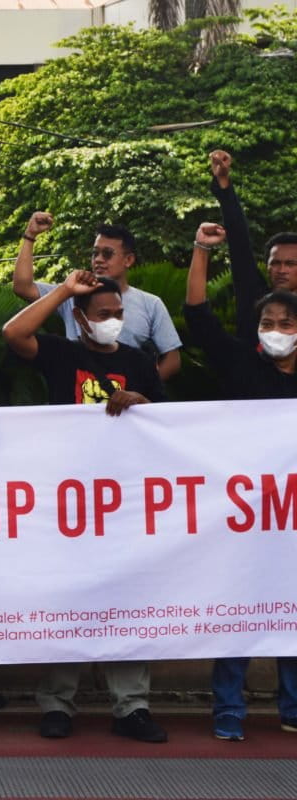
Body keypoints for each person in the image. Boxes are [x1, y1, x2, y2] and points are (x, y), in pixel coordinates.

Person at [2, 271, 168, 743]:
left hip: (123, 502)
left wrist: (142, 402)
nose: (112, 321)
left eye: (118, 314)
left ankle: (132, 707)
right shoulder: (63, 353)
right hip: (69, 502)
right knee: (67, 601)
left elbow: (168, 425)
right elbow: (14, 333)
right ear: (79, 318)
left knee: (127, 603)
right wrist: (63, 291)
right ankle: (57, 704)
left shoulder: (139, 362)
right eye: (102, 314)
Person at [184, 220, 297, 741]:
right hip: (242, 513)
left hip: (291, 517)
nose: (275, 329)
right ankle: (228, 707)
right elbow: (197, 314)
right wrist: (202, 250)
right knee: (239, 607)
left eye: (286, 323)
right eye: (267, 322)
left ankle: (292, 706)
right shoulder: (238, 361)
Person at [13, 214, 182, 380]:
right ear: (78, 314)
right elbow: (23, 287)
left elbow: (172, 359)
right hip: (77, 392)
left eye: (107, 254)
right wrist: (30, 235)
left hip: (126, 396)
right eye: (95, 253)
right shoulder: (72, 295)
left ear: (128, 260)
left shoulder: (151, 304)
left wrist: (142, 389)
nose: (98, 260)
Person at [208, 149, 297, 341]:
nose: (282, 270)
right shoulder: (253, 296)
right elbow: (239, 243)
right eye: (275, 263)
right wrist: (224, 184)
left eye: (290, 264)